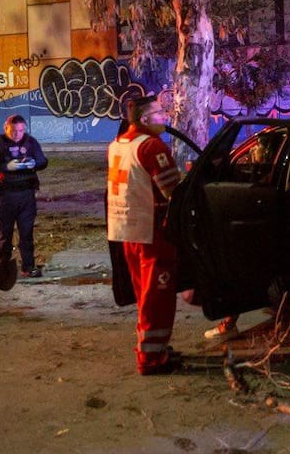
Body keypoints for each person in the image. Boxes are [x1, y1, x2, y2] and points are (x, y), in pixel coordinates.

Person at [106, 95, 187, 375]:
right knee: (158, 298)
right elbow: (173, 191)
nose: (164, 116)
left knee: (144, 295)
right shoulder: (152, 146)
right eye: (159, 112)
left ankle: (153, 348)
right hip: (153, 231)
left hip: (127, 229)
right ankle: (151, 359)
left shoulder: (117, 144)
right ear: (144, 119)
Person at [0, 114, 49, 278]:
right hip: (5, 196)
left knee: (27, 233)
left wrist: (35, 163)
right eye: (14, 131)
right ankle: (3, 267)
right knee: (5, 234)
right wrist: (6, 166)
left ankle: (28, 267)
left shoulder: (30, 142)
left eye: (21, 130)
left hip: (26, 194)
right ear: (6, 128)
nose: (18, 134)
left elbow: (43, 161)